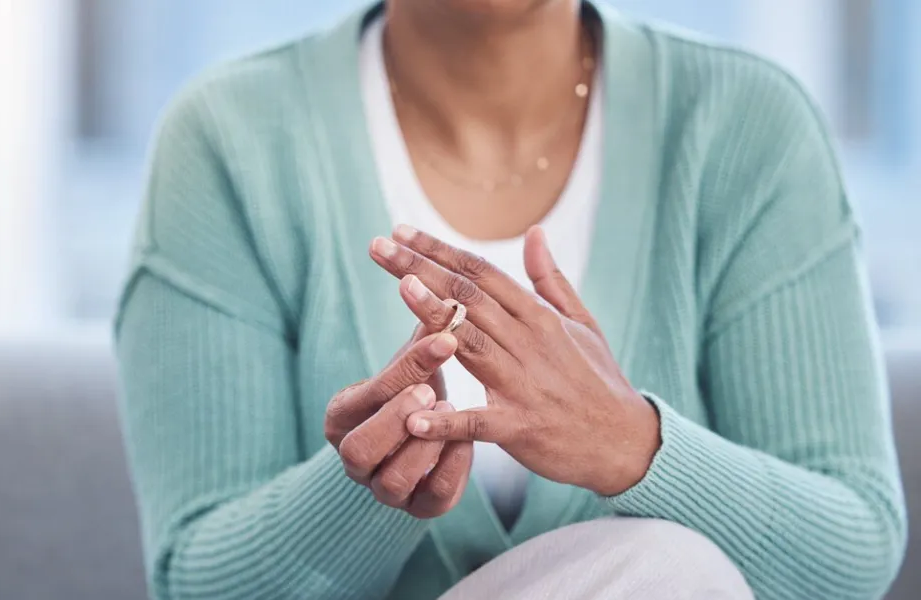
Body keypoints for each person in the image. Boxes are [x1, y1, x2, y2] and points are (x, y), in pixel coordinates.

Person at [115, 1, 906, 598]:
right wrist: (363, 492)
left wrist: (634, 448)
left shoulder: (748, 126)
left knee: (671, 572)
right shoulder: (229, 138)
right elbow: (195, 582)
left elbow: (851, 551)